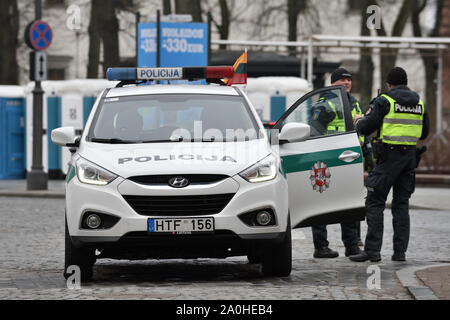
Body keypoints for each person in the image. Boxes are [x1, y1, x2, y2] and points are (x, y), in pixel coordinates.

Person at [349, 67, 429, 262]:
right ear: (406, 82)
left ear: (388, 84)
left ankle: (372, 251)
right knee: (401, 205)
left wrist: (359, 121)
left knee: (375, 201)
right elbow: (424, 133)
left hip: (388, 158)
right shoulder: (419, 102)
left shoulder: (385, 100)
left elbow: (367, 127)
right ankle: (399, 252)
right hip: (409, 159)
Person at [310, 68, 366, 258]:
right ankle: (321, 247)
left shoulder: (355, 103)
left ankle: (351, 246)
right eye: (342, 80)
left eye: (349, 80)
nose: (347, 82)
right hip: (326, 159)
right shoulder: (324, 103)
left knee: (349, 204)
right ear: (333, 83)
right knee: (320, 202)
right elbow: (314, 132)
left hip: (349, 160)